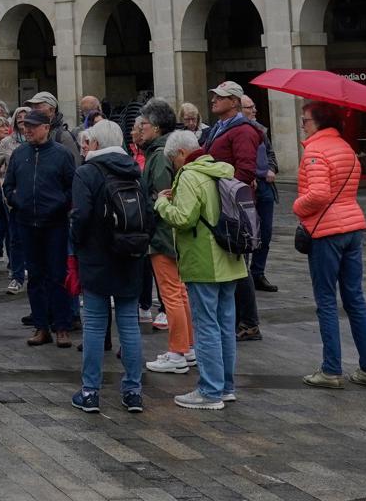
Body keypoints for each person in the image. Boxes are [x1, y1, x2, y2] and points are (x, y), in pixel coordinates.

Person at [154, 129, 246, 410]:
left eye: (173, 160)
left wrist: (162, 203)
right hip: (231, 258)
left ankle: (210, 390)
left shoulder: (190, 175)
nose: (174, 166)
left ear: (182, 153)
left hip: (203, 260)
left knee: (206, 326)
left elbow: (183, 218)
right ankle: (226, 387)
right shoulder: (221, 170)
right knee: (225, 325)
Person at [294, 101, 366, 389]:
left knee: (326, 301)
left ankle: (331, 370)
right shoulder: (346, 147)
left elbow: (319, 194)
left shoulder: (315, 151)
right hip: (353, 227)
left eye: (305, 120)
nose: (303, 125)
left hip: (327, 232)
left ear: (319, 121)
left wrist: (297, 206)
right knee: (355, 299)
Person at [70, 118, 150, 415]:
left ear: (96, 143)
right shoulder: (134, 170)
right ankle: (133, 391)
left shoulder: (87, 172)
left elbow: (80, 216)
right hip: (130, 255)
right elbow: (148, 214)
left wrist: (77, 243)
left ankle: (90, 391)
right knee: (129, 323)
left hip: (96, 256)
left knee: (94, 324)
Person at [4, 109, 76, 348]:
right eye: (26, 126)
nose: (28, 130)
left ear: (46, 128)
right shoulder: (19, 154)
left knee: (57, 276)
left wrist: (59, 205)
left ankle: (62, 327)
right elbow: (8, 185)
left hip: (55, 224)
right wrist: (16, 201)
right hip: (27, 223)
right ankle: (41, 326)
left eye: (33, 126)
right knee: (35, 277)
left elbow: (72, 187)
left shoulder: (62, 154)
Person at [196, 82, 261, 342]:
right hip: (219, 202)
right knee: (231, 261)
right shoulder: (219, 127)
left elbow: (245, 170)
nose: (213, 100)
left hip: (232, 205)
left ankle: (249, 322)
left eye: (220, 97)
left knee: (238, 263)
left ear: (234, 102)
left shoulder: (242, 130)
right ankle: (236, 319)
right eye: (213, 96)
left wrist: (218, 179)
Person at [135, 99, 193, 376]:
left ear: (156, 127)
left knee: (171, 293)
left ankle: (178, 351)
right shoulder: (164, 150)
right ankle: (188, 347)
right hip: (172, 232)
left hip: (162, 233)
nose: (140, 129)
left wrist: (147, 208)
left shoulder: (158, 155)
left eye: (144, 124)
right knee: (179, 291)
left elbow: (160, 195)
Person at [241, 95, 279, 294]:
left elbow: (271, 154)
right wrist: (250, 176)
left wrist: (271, 168)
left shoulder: (260, 130)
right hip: (248, 186)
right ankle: (244, 275)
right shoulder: (237, 131)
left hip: (265, 186)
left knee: (265, 232)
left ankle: (258, 272)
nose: (254, 110)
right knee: (247, 231)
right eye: (250, 107)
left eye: (254, 106)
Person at [0, 113, 23, 291]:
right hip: (3, 195)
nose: (5, 128)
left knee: (14, 233)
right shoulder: (6, 143)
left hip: (25, 197)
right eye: (1, 126)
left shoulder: (35, 142)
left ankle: (16, 267)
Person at [30, 92, 80, 162]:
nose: (33, 111)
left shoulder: (62, 136)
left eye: (37, 107)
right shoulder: (31, 133)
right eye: (32, 107)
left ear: (51, 110)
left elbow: (75, 163)